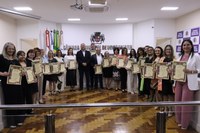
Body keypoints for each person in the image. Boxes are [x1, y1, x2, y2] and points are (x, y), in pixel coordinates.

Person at [174, 39, 200, 130]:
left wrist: (190, 71)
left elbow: (199, 69)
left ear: (192, 46)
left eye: (188, 45)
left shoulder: (196, 56)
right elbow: (177, 68)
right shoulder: (179, 56)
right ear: (182, 46)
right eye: (184, 45)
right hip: (178, 82)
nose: (186, 46)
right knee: (177, 102)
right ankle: (179, 121)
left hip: (188, 83)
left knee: (185, 104)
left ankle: (184, 124)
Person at [0, 42, 24, 128]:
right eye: (9, 48)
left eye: (13, 49)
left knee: (18, 100)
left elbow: (19, 70)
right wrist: (3, 74)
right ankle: (11, 122)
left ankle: (19, 120)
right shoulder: (1, 57)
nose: (11, 50)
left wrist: (22, 73)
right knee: (10, 101)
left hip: (17, 83)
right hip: (7, 84)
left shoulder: (15, 59)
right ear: (5, 49)